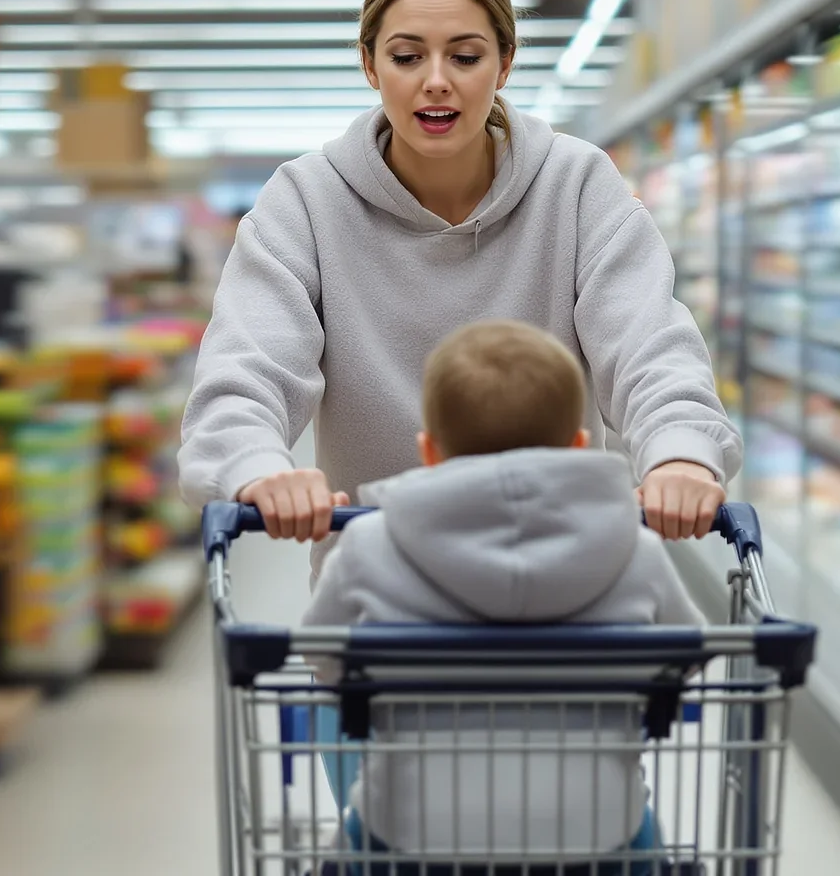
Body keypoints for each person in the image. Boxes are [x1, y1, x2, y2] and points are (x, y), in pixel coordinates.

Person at [178, 0, 741, 561]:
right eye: (407, 57)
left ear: (505, 63)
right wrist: (256, 466)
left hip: (567, 579)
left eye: (466, 57)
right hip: (380, 588)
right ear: (370, 65)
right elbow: (247, 369)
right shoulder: (305, 203)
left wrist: (681, 451)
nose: (436, 81)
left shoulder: (577, 186)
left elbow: (648, 342)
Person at [301, 319, 705, 872]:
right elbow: (683, 656)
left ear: (429, 451)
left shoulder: (367, 546)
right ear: (578, 445)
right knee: (645, 840)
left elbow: (321, 657)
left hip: (412, 837)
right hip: (593, 833)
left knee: (349, 848)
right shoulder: (635, 550)